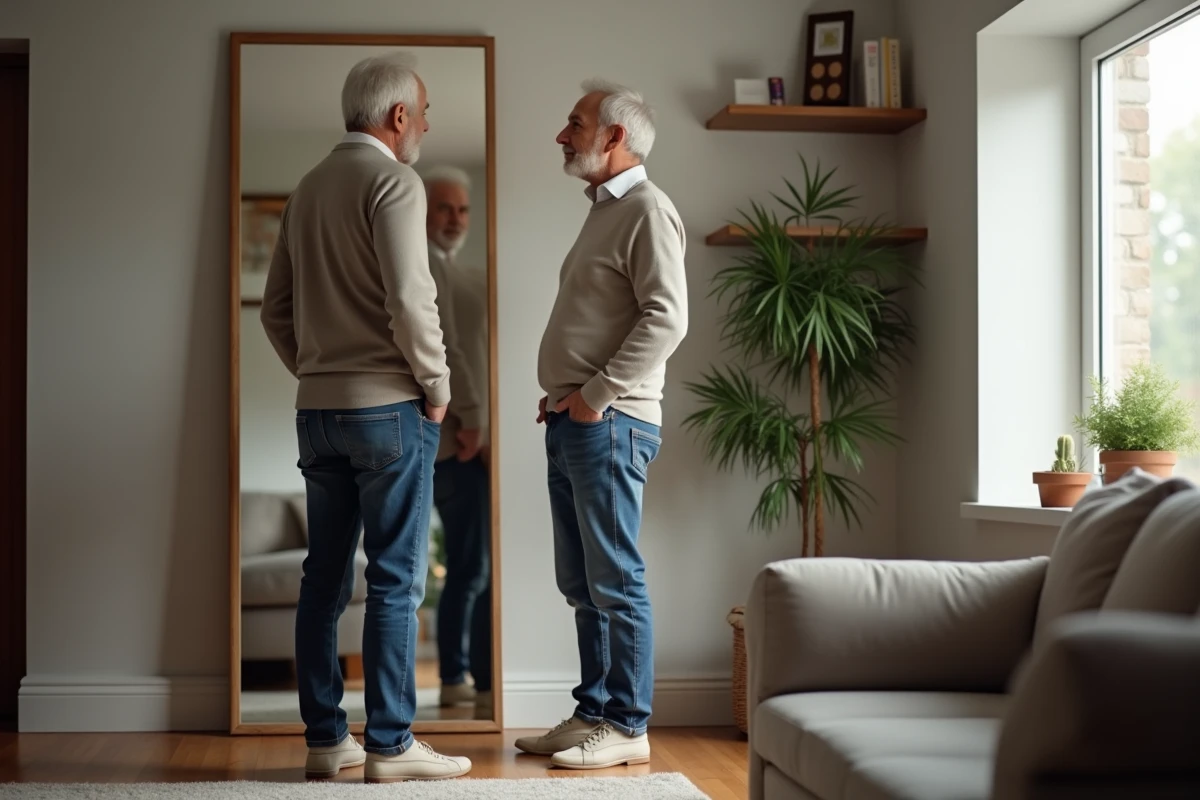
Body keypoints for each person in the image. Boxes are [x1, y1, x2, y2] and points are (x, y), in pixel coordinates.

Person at [259, 52, 471, 783]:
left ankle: (327, 740)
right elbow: (412, 300)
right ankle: (390, 743)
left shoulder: (307, 188)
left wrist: (318, 371)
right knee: (395, 578)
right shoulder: (395, 181)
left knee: (322, 578)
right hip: (388, 410)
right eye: (425, 113)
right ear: (399, 116)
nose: (426, 127)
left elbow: (276, 310)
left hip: (316, 412)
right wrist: (437, 386)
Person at [517, 79, 688, 769]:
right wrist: (567, 394)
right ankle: (593, 710)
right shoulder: (605, 211)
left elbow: (667, 318)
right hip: (580, 419)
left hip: (612, 421)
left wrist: (596, 394)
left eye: (575, 123)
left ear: (615, 136)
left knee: (614, 579)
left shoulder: (647, 208)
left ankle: (627, 725)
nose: (563, 135)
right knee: (582, 583)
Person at [422, 165, 493, 714]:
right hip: (455, 440)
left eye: (463, 209)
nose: (455, 218)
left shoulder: (457, 270)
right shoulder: (426, 263)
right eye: (444, 207)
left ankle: (473, 675)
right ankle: (456, 676)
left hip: (466, 435)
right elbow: (447, 349)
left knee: (474, 565)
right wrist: (471, 420)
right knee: (470, 566)